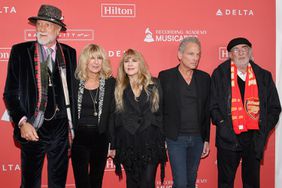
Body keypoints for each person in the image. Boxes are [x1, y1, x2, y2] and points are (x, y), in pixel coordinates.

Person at [3, 4, 77, 188]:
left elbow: (74, 93)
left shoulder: (69, 53)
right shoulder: (20, 51)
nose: (42, 29)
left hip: (61, 128)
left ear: (58, 29)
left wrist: (73, 127)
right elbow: (10, 93)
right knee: (29, 183)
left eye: (48, 25)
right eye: (40, 24)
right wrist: (22, 122)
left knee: (58, 183)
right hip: (34, 126)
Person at [210, 37, 281, 188]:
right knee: (225, 183)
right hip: (228, 138)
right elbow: (212, 105)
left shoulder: (263, 76)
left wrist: (263, 129)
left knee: (252, 183)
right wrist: (222, 124)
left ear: (250, 52)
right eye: (236, 50)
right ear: (230, 54)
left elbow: (275, 108)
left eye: (245, 49)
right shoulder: (220, 74)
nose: (241, 53)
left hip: (254, 140)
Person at [158, 37, 211, 188]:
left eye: (198, 54)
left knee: (191, 181)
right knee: (180, 183)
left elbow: (206, 111)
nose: (195, 58)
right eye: (191, 54)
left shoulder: (204, 78)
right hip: (175, 138)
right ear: (180, 55)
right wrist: (162, 137)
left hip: (197, 138)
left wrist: (206, 138)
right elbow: (160, 110)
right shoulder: (165, 77)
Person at [110, 49, 167, 188]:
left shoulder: (154, 83)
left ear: (140, 63)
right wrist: (113, 144)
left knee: (147, 182)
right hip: (128, 141)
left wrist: (163, 139)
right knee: (132, 182)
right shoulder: (118, 86)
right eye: (126, 61)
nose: (130, 64)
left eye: (134, 60)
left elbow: (160, 113)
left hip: (150, 141)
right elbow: (114, 117)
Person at [71, 44, 115, 188]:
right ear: (85, 60)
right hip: (79, 137)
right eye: (92, 58)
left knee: (96, 181)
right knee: (81, 182)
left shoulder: (110, 83)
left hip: (100, 137)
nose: (96, 62)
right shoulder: (74, 82)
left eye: (99, 58)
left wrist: (113, 143)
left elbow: (113, 116)